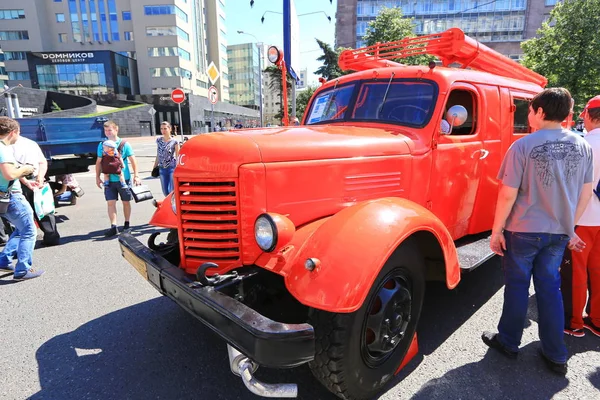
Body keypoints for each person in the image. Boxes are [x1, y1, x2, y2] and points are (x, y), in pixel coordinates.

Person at [483, 88, 593, 375]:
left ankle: (508, 341)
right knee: (550, 288)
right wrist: (570, 226)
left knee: (517, 286)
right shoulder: (583, 146)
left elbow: (507, 195)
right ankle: (556, 353)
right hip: (558, 232)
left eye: (530, 110)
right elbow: (585, 193)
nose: (528, 115)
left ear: (541, 112)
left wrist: (496, 231)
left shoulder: (522, 146)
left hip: (522, 230)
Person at [562, 95, 600, 338]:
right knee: (598, 270)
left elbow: (568, 186)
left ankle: (574, 321)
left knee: (576, 271)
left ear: (587, 114)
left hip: (582, 217)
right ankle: (596, 319)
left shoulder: (584, 144)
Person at [0, 117, 43, 280]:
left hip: (4, 196)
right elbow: (9, 174)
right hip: (12, 196)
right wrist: (26, 168)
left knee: (20, 228)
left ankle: (3, 261)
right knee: (29, 230)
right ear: (13, 132)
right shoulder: (3, 149)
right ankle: (23, 269)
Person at [12, 134, 61, 246]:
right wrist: (40, 177)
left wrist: (25, 181)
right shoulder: (31, 143)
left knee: (22, 212)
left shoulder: (7, 146)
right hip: (37, 178)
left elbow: (13, 168)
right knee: (43, 208)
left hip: (20, 181)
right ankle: (51, 236)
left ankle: (22, 242)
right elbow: (42, 162)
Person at [95, 120, 140, 237]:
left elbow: (133, 160)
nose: (107, 132)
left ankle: (127, 224)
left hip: (124, 178)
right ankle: (113, 226)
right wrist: (97, 177)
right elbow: (99, 162)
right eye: (105, 130)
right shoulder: (102, 145)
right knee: (110, 203)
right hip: (109, 180)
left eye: (110, 130)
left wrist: (136, 175)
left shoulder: (124, 144)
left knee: (126, 202)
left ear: (116, 130)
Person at [152, 121, 180, 197]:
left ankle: (172, 206)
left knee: (171, 190)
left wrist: (178, 168)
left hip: (172, 168)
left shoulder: (175, 142)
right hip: (162, 168)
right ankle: (169, 204)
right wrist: (155, 166)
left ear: (170, 129)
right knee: (165, 191)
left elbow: (178, 156)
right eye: (161, 129)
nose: (163, 131)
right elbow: (158, 154)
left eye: (165, 128)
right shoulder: (159, 140)